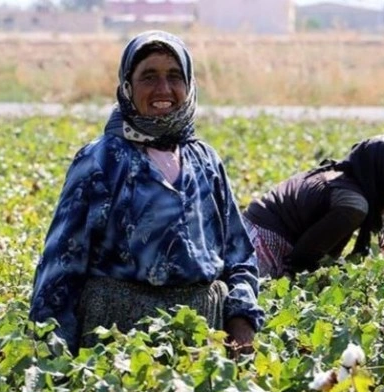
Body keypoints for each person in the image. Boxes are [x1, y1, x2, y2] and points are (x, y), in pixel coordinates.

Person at [29, 30, 263, 355]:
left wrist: (242, 322)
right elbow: (62, 264)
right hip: (116, 336)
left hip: (199, 332)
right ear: (127, 87)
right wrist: (52, 356)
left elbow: (239, 256)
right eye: (148, 77)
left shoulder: (205, 161)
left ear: (189, 85)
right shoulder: (101, 160)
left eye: (174, 76)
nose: (163, 89)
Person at [242, 134, 384, 279]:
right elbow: (302, 261)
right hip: (258, 248)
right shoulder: (353, 205)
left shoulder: (346, 180)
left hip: (250, 234)